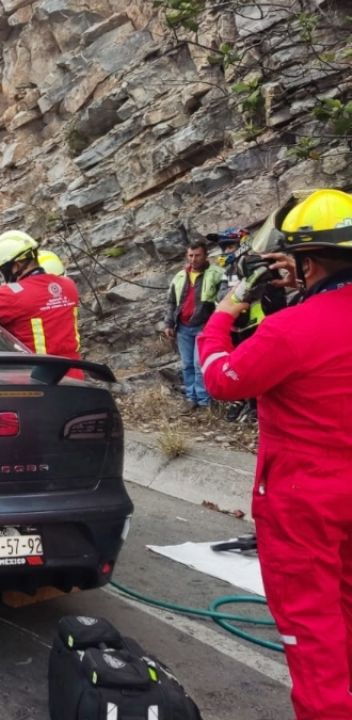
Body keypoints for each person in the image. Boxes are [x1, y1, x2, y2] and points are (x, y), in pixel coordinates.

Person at [197, 188, 352, 719]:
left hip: (304, 498)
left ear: (307, 260)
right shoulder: (302, 318)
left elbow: (222, 378)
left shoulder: (291, 330)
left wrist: (224, 313)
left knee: (314, 633)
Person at [0, 230, 81, 361]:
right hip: (75, 373)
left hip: (35, 376)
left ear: (17, 265)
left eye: (4, 270)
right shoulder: (68, 285)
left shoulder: (11, 295)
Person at [163, 240, 225, 412]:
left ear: (205, 255)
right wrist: (168, 322)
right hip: (182, 327)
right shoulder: (180, 276)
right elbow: (171, 302)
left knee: (199, 365)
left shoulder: (217, 274)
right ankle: (191, 399)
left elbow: (224, 299)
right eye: (191, 255)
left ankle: (204, 402)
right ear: (186, 256)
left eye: (197, 255)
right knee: (187, 365)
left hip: (204, 326)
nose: (194, 259)